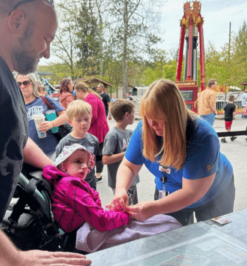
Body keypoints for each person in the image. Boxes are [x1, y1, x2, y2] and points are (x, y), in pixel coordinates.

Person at [0, 0, 91, 265]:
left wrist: (57, 175)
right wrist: (13, 260)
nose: (47, 52)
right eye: (46, 38)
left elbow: (17, 139)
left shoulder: (0, 71)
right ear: (17, 21)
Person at [108, 79, 235, 226]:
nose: (152, 125)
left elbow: (192, 192)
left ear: (174, 116)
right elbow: (128, 166)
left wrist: (154, 208)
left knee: (212, 238)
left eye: (158, 119)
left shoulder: (202, 137)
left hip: (212, 192)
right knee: (170, 240)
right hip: (168, 190)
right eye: (148, 118)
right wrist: (120, 191)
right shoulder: (144, 129)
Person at [43, 144, 182, 252]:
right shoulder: (70, 185)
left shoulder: (65, 184)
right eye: (78, 161)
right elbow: (101, 221)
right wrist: (127, 215)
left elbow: (92, 212)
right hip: (78, 236)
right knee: (167, 225)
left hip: (81, 228)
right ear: (63, 166)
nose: (84, 166)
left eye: (86, 163)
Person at [17, 73, 67, 161]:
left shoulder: (44, 99)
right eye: (19, 83)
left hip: (52, 152)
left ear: (33, 84)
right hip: (29, 157)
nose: (22, 86)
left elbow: (65, 115)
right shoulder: (15, 106)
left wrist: (52, 124)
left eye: (26, 83)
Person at [102, 99, 140, 205]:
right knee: (124, 210)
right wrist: (128, 153)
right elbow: (105, 159)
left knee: (134, 208)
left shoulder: (129, 132)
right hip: (119, 182)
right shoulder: (113, 135)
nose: (134, 115)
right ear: (126, 115)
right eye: (133, 112)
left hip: (132, 179)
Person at [56, 100, 99, 189]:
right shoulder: (65, 143)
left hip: (90, 185)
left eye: (86, 119)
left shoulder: (94, 140)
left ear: (91, 118)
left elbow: (95, 160)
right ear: (70, 121)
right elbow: (58, 167)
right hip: (72, 186)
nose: (83, 123)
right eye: (78, 120)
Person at [75, 82, 109, 183]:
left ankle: (97, 175)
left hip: (97, 129)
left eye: (76, 92)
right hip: (99, 128)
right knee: (96, 152)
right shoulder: (91, 97)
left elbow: (92, 116)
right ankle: (97, 174)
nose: (76, 94)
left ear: (80, 91)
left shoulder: (90, 98)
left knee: (96, 153)